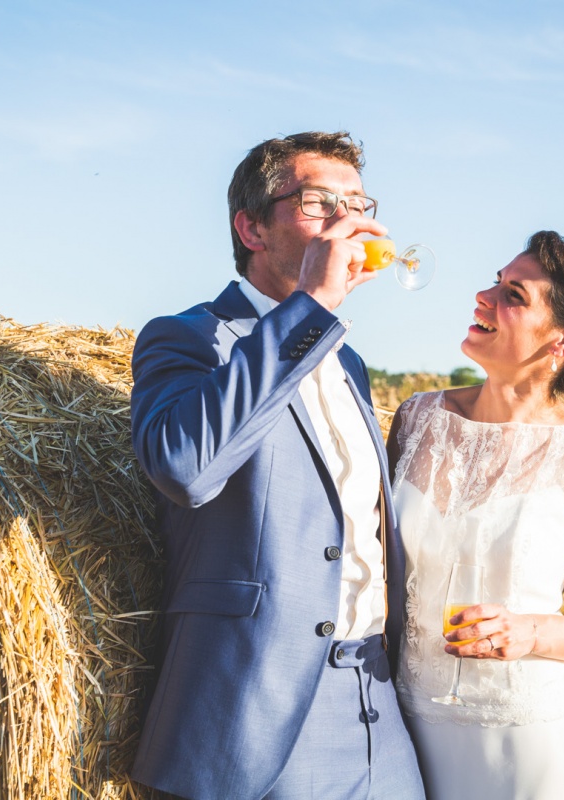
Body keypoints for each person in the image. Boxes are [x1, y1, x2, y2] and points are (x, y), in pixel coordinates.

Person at [129, 131, 425, 800]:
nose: (347, 221)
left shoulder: (347, 360)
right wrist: (311, 307)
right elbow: (185, 468)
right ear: (253, 228)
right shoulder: (189, 337)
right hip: (254, 710)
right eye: (322, 203)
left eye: (357, 203)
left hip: (376, 701)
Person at [386, 231, 564, 800]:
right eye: (495, 281)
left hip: (529, 751)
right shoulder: (416, 419)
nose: (483, 296)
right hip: (406, 737)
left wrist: (530, 632)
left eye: (513, 294)